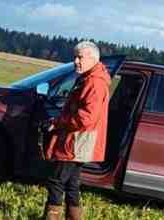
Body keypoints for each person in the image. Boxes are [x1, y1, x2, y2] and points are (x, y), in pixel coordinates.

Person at [43, 41, 111, 220]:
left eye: (79, 57)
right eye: (75, 57)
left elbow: (86, 118)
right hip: (79, 140)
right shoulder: (90, 78)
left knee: (56, 181)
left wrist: (57, 123)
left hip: (76, 140)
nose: (75, 61)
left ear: (93, 58)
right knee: (72, 184)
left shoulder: (95, 83)